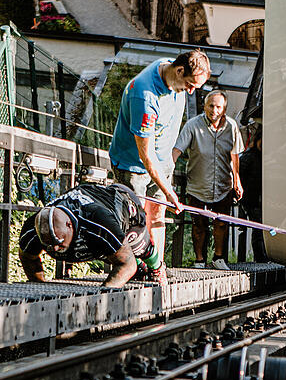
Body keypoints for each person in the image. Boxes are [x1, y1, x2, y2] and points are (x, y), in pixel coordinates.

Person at [109, 49, 212, 274]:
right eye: (190, 85)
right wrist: (169, 192)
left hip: (163, 162)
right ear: (179, 70)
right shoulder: (145, 96)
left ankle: (157, 268)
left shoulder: (170, 70)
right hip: (133, 165)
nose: (192, 91)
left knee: (157, 215)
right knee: (133, 221)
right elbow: (146, 158)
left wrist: (167, 176)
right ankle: (131, 270)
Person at [18, 183, 163, 288]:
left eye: (58, 241)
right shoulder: (32, 229)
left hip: (124, 207)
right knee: (112, 253)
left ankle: (158, 268)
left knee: (139, 249)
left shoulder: (98, 222)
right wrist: (40, 286)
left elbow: (127, 265)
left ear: (69, 225)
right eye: (48, 244)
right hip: (93, 218)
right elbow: (27, 257)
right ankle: (139, 264)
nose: (55, 249)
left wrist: (104, 295)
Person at [172, 90, 243, 269]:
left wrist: (237, 180)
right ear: (204, 106)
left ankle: (218, 258)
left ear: (224, 109)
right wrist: (167, 175)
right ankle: (199, 260)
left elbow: (235, 156)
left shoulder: (232, 126)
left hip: (222, 184)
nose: (214, 110)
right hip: (198, 183)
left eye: (218, 107)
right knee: (198, 224)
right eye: (211, 105)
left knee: (221, 223)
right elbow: (177, 149)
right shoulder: (192, 125)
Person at [238, 123, 267, 262]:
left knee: (260, 229)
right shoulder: (249, 156)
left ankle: (262, 257)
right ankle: (260, 257)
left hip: (261, 198)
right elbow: (240, 174)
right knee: (258, 228)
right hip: (251, 198)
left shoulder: (266, 157)